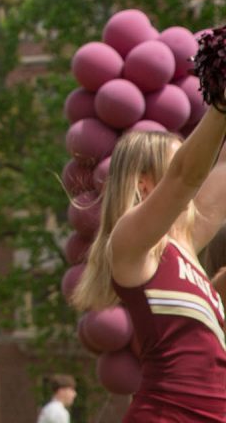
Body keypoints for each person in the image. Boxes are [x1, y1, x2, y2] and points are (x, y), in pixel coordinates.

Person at [72, 107, 226, 422]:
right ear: (144, 184)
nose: (197, 170)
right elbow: (186, 175)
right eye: (175, 163)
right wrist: (220, 99)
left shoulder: (185, 244)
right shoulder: (131, 242)